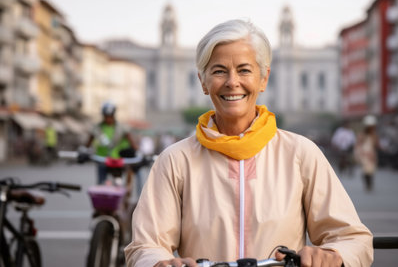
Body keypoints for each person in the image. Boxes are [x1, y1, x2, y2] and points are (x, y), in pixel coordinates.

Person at [125, 20, 373, 267]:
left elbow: (351, 238)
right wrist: (157, 263)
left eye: (244, 70)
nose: (232, 82)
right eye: (219, 70)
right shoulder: (176, 160)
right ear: (203, 81)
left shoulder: (300, 154)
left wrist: (333, 256)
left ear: (264, 78)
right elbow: (146, 245)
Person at [85, 101, 137, 184]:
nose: (108, 118)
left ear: (113, 115)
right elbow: (87, 144)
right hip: (102, 160)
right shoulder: (97, 128)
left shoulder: (122, 128)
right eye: (106, 116)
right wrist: (83, 152)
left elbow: (132, 144)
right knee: (101, 185)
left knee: (118, 184)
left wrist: (138, 153)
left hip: (117, 161)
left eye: (110, 116)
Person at [354, 115, 379, 192]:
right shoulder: (362, 135)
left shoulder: (374, 135)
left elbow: (376, 145)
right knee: (365, 170)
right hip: (364, 154)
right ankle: (367, 184)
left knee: (371, 170)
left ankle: (370, 184)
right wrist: (360, 154)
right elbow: (358, 145)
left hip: (371, 154)